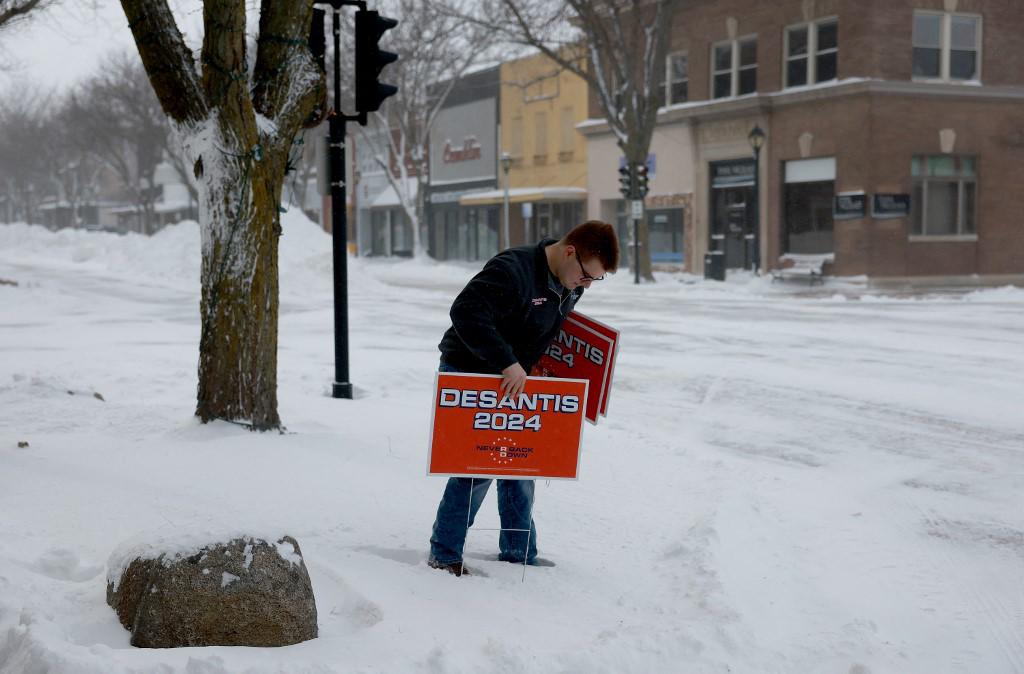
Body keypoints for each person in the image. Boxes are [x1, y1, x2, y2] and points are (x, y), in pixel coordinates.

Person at [428, 220, 620, 576]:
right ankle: (445, 554)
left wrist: (539, 367)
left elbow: (543, 328)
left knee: (523, 461)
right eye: (586, 276)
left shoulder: (569, 284)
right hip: (469, 367)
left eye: (595, 280)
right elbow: (465, 313)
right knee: (477, 466)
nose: (587, 286)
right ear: (569, 252)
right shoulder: (512, 270)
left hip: (514, 375)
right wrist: (507, 362)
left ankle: (519, 552)